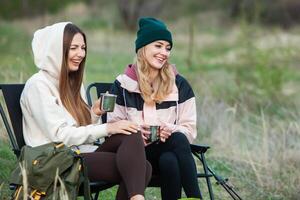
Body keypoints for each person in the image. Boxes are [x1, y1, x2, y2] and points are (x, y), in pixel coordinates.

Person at [20, 22, 151, 200]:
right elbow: (61, 136)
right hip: (53, 162)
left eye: (83, 48)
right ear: (56, 49)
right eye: (73, 48)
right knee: (139, 168)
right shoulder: (38, 85)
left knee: (131, 133)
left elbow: (78, 127)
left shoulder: (72, 82)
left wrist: (94, 114)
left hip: (76, 154)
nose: (80, 54)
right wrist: (107, 129)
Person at [107, 17, 202, 200]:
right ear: (143, 48)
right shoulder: (121, 84)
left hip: (166, 151)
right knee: (176, 144)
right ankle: (196, 197)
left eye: (168, 48)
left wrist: (169, 129)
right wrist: (136, 132)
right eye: (158, 46)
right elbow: (111, 127)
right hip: (134, 156)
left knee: (171, 158)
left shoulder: (179, 84)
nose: (164, 52)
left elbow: (189, 130)